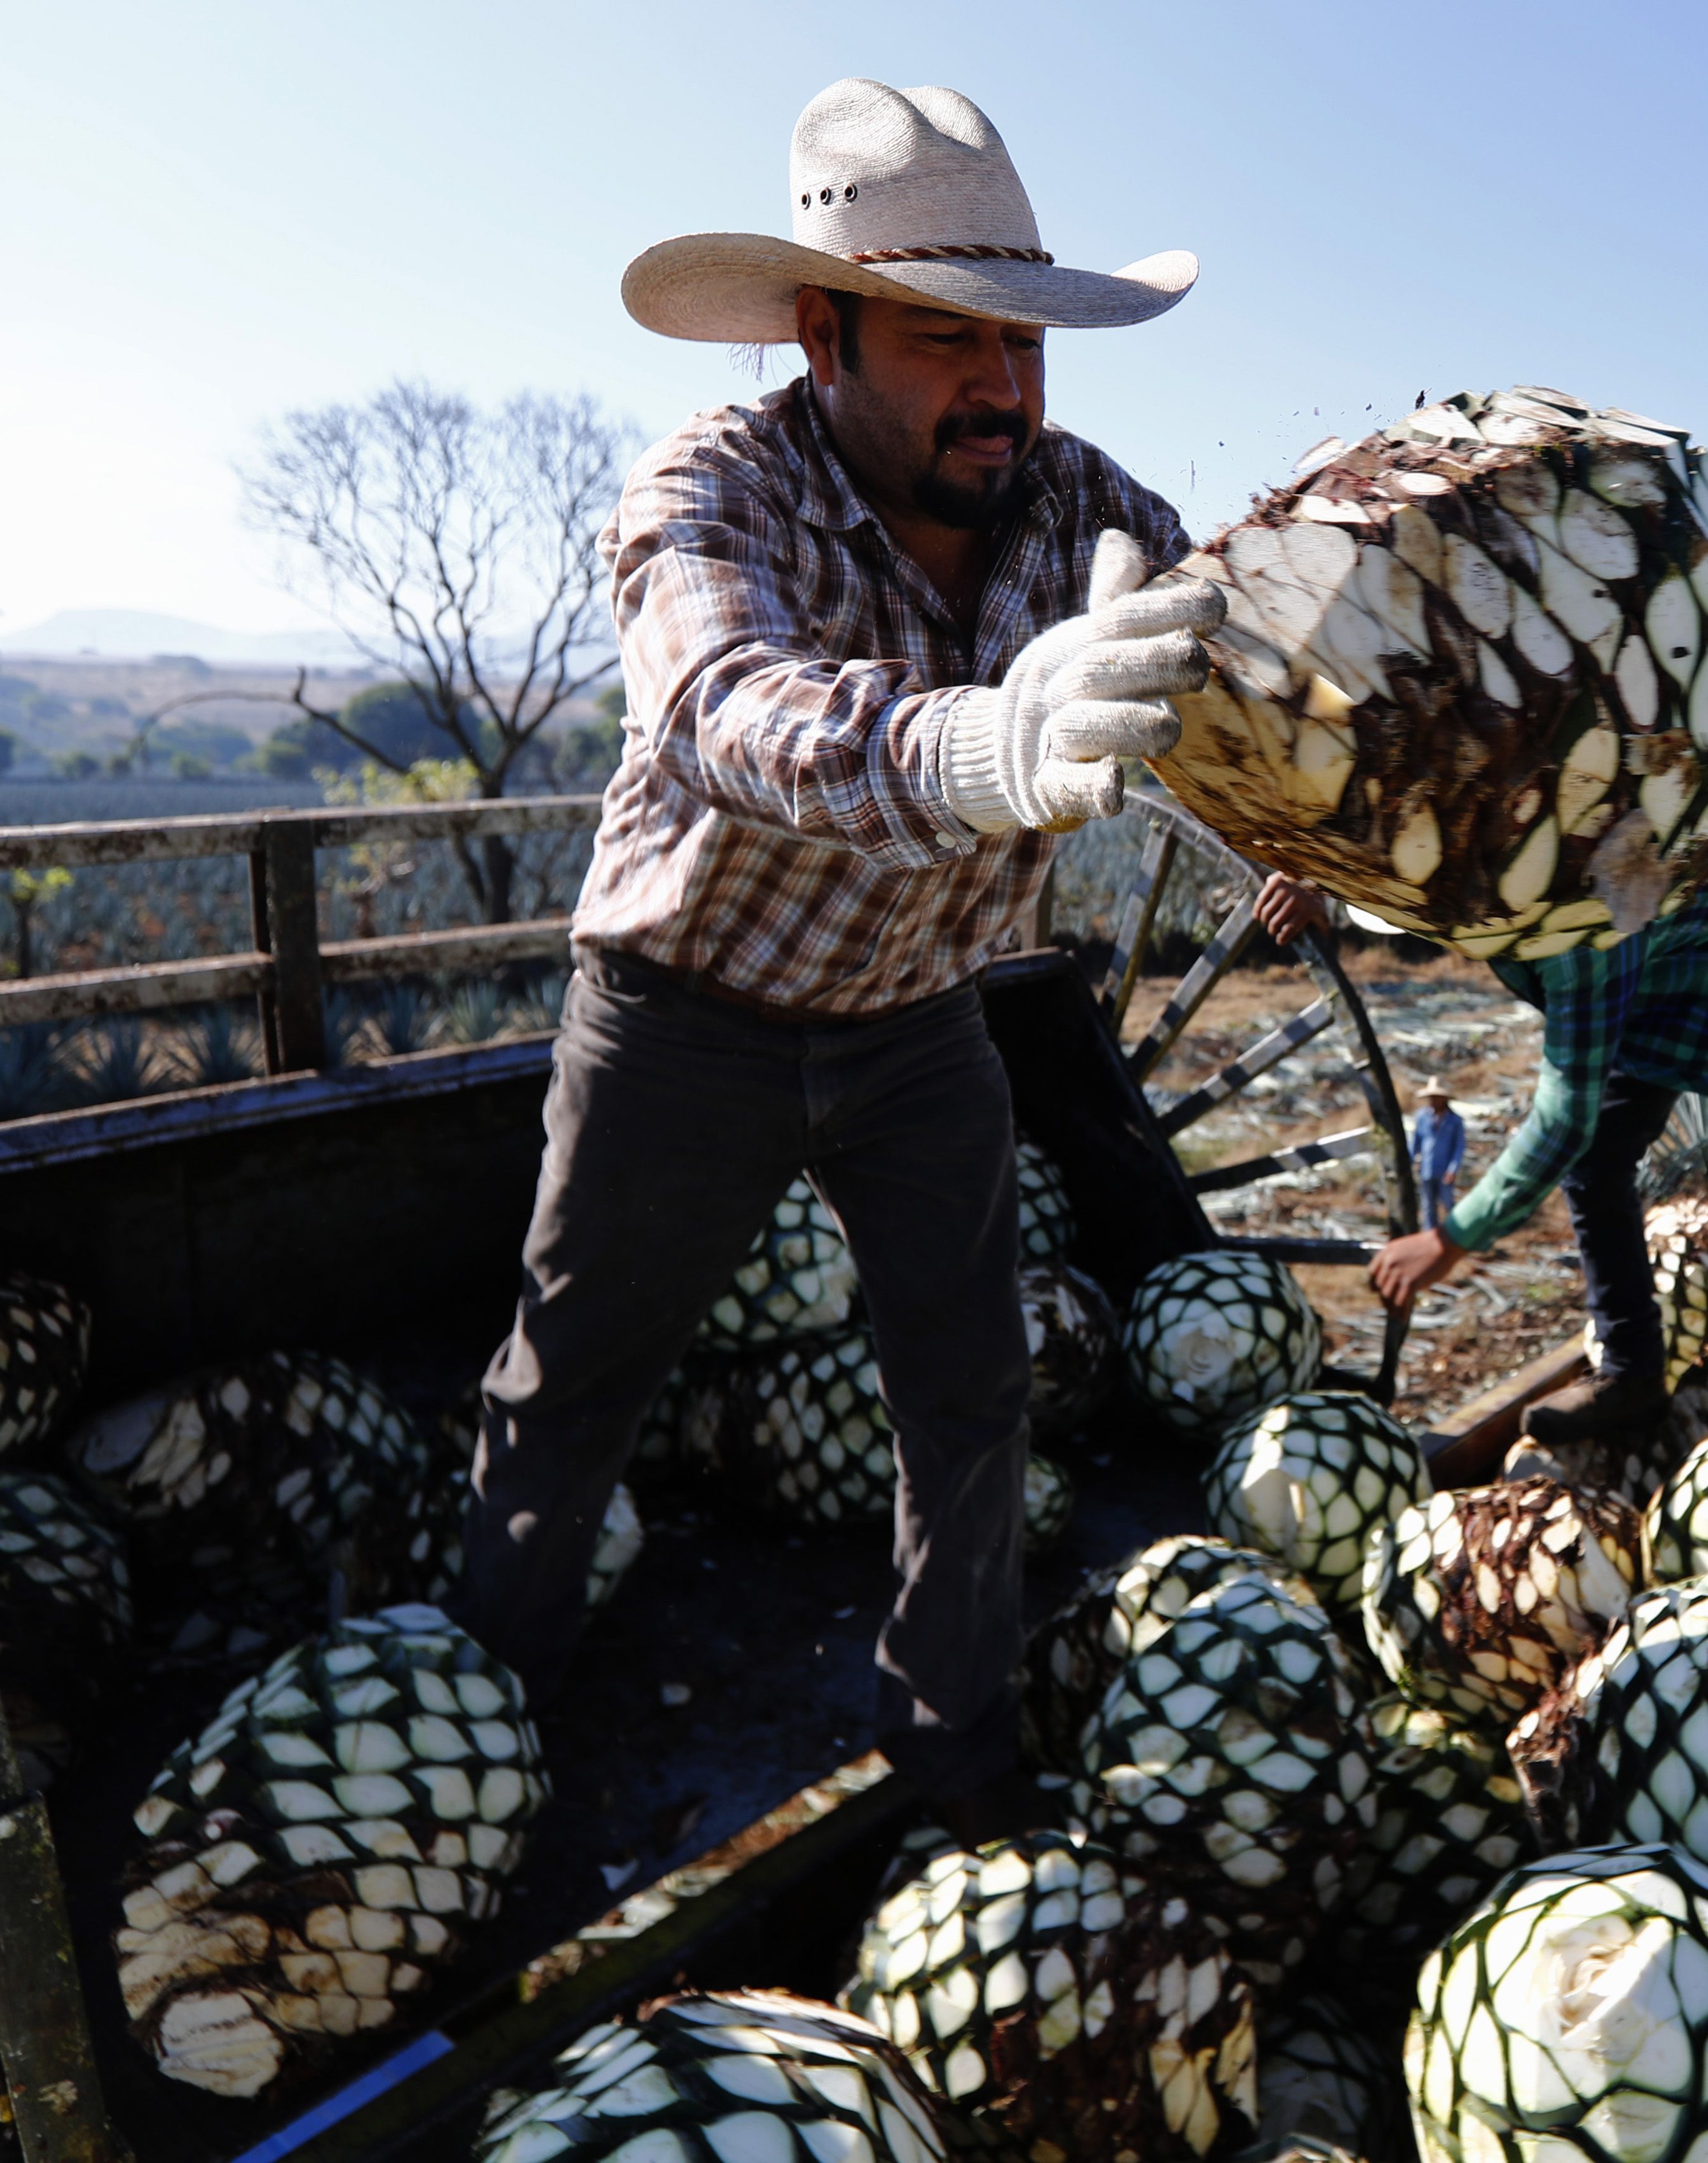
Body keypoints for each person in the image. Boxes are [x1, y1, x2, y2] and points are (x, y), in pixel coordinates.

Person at [448, 78, 1218, 1841]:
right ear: (824, 331)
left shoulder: (1083, 506)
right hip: (684, 1018)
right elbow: (729, 708)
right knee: (571, 1379)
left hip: (919, 1019)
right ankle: (489, 1719)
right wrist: (981, 749)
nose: (1002, 386)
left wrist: (1317, 798)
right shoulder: (712, 489)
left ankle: (955, 1748)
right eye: (949, 337)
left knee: (968, 1385)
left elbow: (1226, 662)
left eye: (1023, 340)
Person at [1255, 822, 1708, 1454]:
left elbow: (1564, 1115)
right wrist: (1331, 893)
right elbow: (1413, 872)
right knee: (1598, 1162)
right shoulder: (1473, 856)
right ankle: (1631, 1372)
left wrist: (1448, 1240)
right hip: (1662, 953)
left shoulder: (1576, 917)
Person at [1409, 1082, 1467, 1225]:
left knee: (1448, 1204)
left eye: (1437, 1098)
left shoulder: (1454, 1121)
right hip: (1426, 1169)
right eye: (1431, 1098)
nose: (1434, 1101)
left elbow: (1459, 1147)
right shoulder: (1422, 1117)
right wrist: (1412, 1161)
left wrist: (1453, 1170)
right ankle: (1431, 1237)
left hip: (1445, 1170)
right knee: (1428, 1207)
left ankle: (1455, 1237)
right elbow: (1415, 1142)